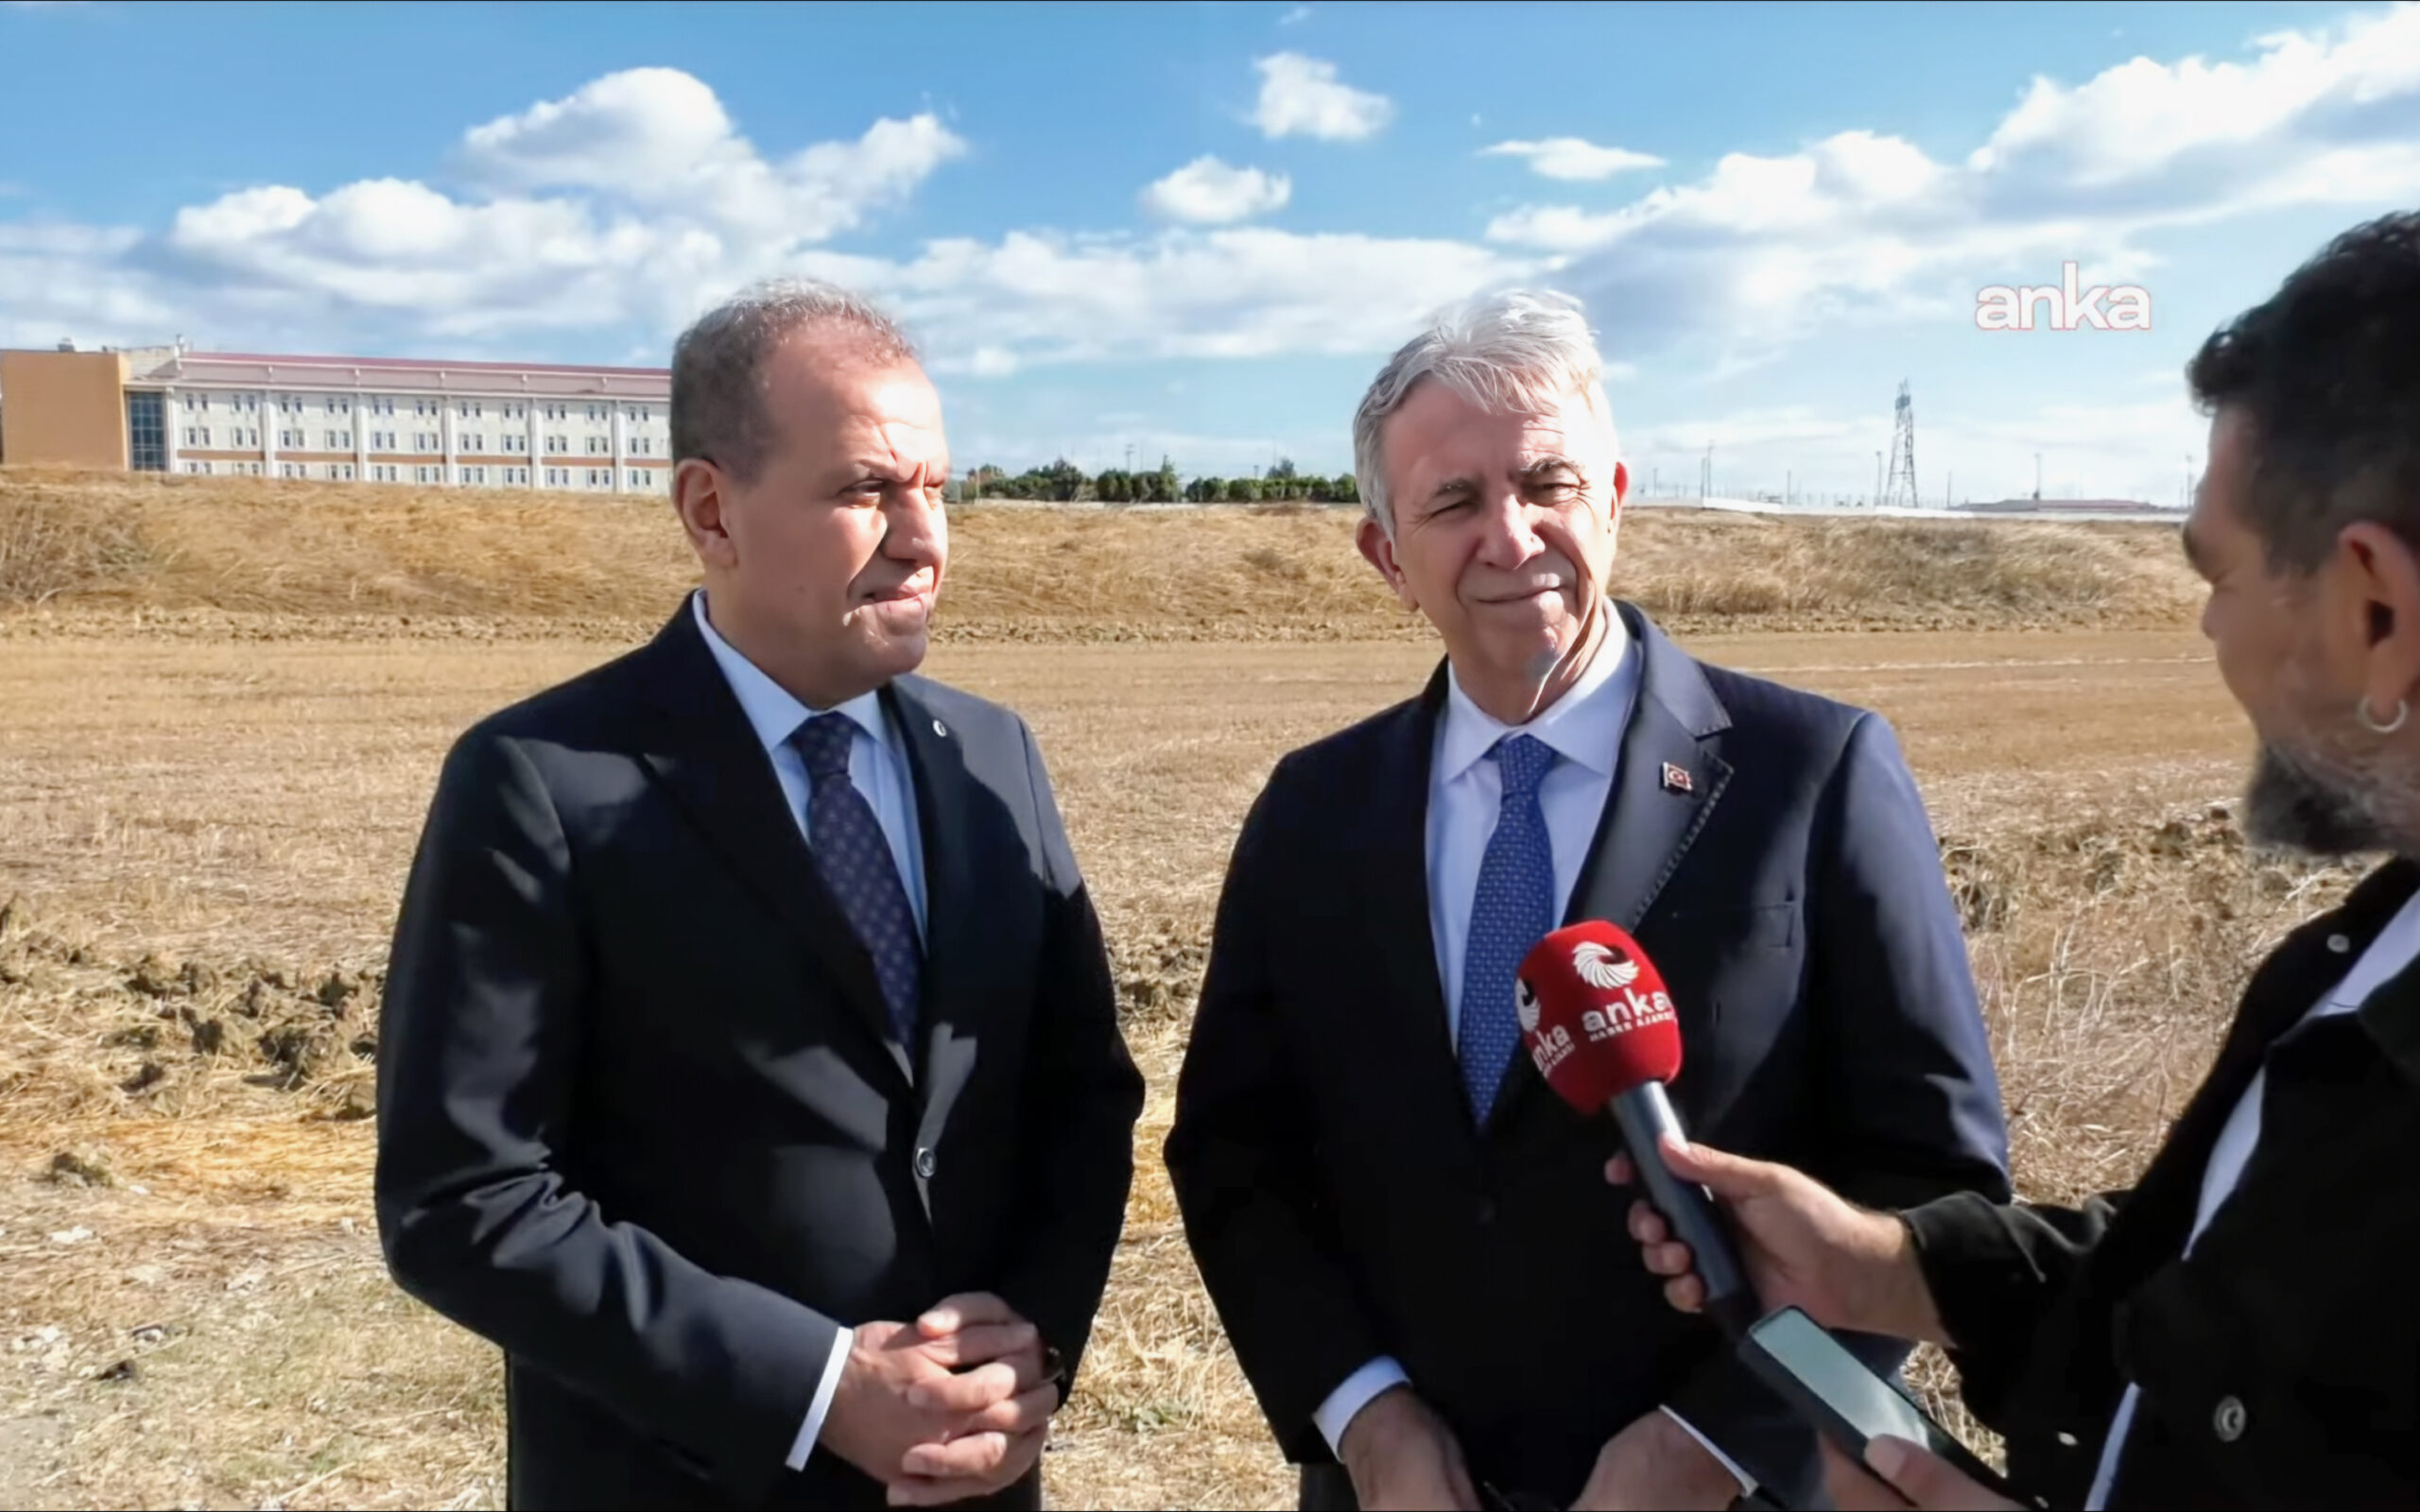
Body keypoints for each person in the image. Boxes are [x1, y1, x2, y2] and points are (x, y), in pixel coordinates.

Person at [1616, 210, 2420, 1511]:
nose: (2208, 632)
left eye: (2219, 576)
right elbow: (2229, 1293)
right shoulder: (2377, 948)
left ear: (2377, 609)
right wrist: (1890, 1269)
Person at [1164, 288, 2014, 1512]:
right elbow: (1236, 1154)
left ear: (1613, 496)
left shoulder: (1811, 775)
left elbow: (1934, 1180)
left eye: (1546, 483)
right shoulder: (1313, 810)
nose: (1511, 537)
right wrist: (1368, 1422)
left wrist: (1712, 1444)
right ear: (1387, 557)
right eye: (1454, 502)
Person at [373, 280, 1145, 1511]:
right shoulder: (542, 782)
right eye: (867, 490)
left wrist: (1030, 1345)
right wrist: (818, 1391)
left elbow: (1080, 1093)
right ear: (711, 509)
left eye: (938, 488)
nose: (925, 539)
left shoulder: (993, 758)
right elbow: (464, 1198)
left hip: (973, 1478)